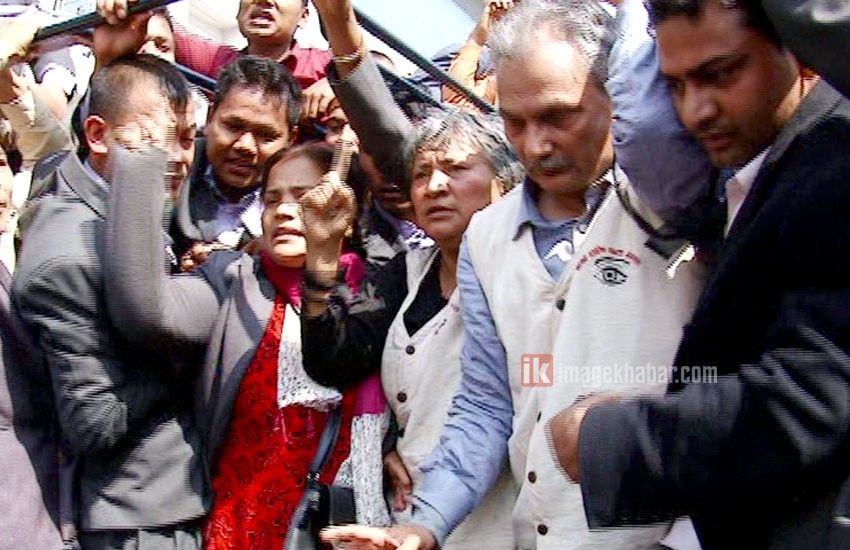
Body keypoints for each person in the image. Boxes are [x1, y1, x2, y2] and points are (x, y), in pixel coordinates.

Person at [319, 0, 704, 548]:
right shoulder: (487, 237)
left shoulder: (677, 202)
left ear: (615, 96)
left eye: (559, 116)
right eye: (515, 122)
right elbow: (488, 400)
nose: (536, 144)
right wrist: (425, 523)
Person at [546, 0, 850, 548]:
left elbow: (814, 399)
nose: (696, 111)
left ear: (798, 55)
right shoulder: (766, 175)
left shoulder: (834, 166)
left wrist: (608, 440)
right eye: (675, 86)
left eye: (721, 74)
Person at [102, 137, 389, 550]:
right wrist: (140, 157)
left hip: (338, 528)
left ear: (347, 211)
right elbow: (148, 312)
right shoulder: (233, 280)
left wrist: (389, 449)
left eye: (304, 197)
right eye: (272, 200)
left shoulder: (380, 293)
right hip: (240, 525)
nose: (284, 211)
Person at [301, 107, 524, 550]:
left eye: (456, 169)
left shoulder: (528, 276)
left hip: (504, 521)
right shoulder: (407, 273)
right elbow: (334, 361)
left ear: (505, 183)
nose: (434, 186)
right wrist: (323, 253)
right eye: (421, 174)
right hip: (409, 519)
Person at [12, 54, 202, 550]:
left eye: (187, 139)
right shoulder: (70, 257)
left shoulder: (116, 207)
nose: (179, 158)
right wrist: (189, 357)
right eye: (160, 139)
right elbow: (93, 421)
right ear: (98, 135)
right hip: (136, 521)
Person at [99, 0, 336, 124]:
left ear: (304, 16)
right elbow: (159, 25)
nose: (263, 0)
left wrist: (340, 83)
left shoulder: (327, 66)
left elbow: (360, 58)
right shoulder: (217, 61)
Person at [171, 56, 299, 266]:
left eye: (265, 135)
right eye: (233, 127)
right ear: (210, 117)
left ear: (290, 140)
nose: (245, 146)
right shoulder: (172, 170)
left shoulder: (303, 205)